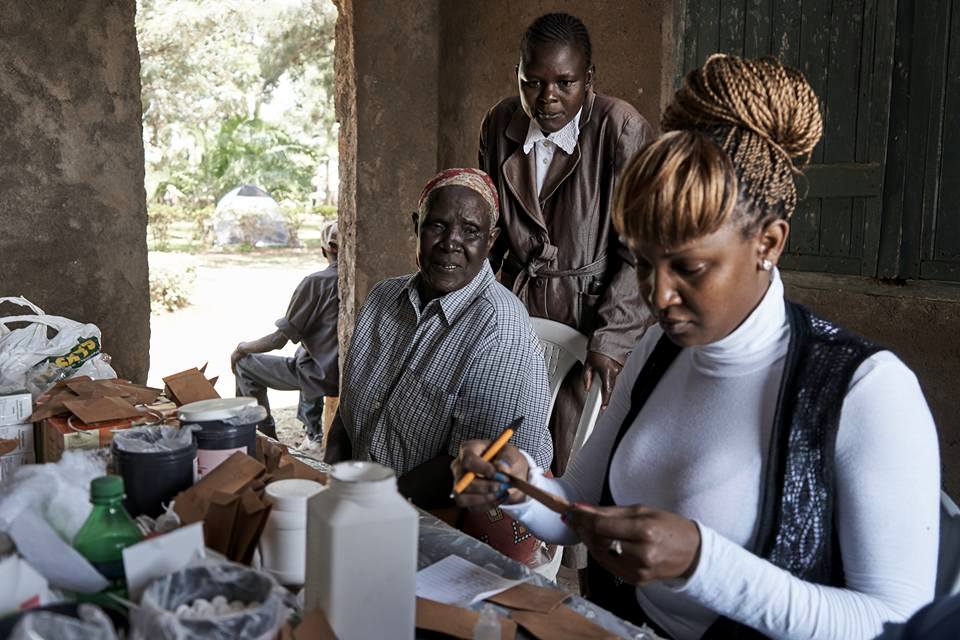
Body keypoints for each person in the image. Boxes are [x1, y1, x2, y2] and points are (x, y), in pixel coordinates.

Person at [454, 55, 940, 639]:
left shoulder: (864, 390)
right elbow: (576, 504)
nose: (659, 295)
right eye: (644, 262)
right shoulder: (659, 349)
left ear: (769, 242)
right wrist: (519, 482)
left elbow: (895, 621)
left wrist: (701, 564)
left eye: (689, 267)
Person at [325, 168, 553, 562]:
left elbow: (474, 472)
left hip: (439, 520)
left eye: (470, 231)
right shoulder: (384, 298)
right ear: (417, 227)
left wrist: (371, 507)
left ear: (491, 240)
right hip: (365, 500)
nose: (451, 243)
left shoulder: (498, 327)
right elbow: (350, 413)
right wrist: (334, 486)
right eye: (437, 226)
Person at [479, 12, 655, 475]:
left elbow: (641, 252)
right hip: (514, 316)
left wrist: (612, 339)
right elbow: (491, 231)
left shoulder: (621, 129)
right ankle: (503, 547)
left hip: (589, 320)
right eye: (532, 82)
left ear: (589, 79)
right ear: (517, 76)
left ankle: (564, 551)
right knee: (502, 454)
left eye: (565, 82)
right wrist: (484, 310)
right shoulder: (500, 124)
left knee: (571, 464)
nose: (548, 97)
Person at [232, 220, 339, 453]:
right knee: (303, 354)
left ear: (324, 250)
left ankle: (266, 438)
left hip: (322, 375)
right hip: (340, 372)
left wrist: (241, 347)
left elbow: (277, 341)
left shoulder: (316, 282)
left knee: (244, 365)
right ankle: (310, 432)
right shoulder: (360, 280)